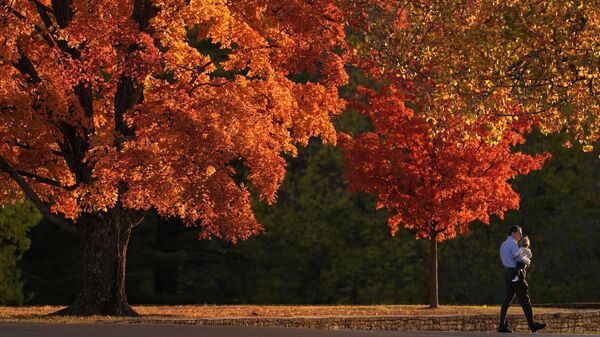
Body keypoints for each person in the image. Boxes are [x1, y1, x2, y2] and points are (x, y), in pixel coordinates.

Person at [498, 225, 546, 333]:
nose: (521, 235)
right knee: (525, 299)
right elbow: (520, 258)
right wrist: (528, 261)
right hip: (516, 273)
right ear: (513, 233)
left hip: (508, 273)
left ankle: (502, 325)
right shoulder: (513, 244)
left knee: (507, 300)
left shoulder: (503, 244)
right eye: (519, 233)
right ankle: (532, 325)